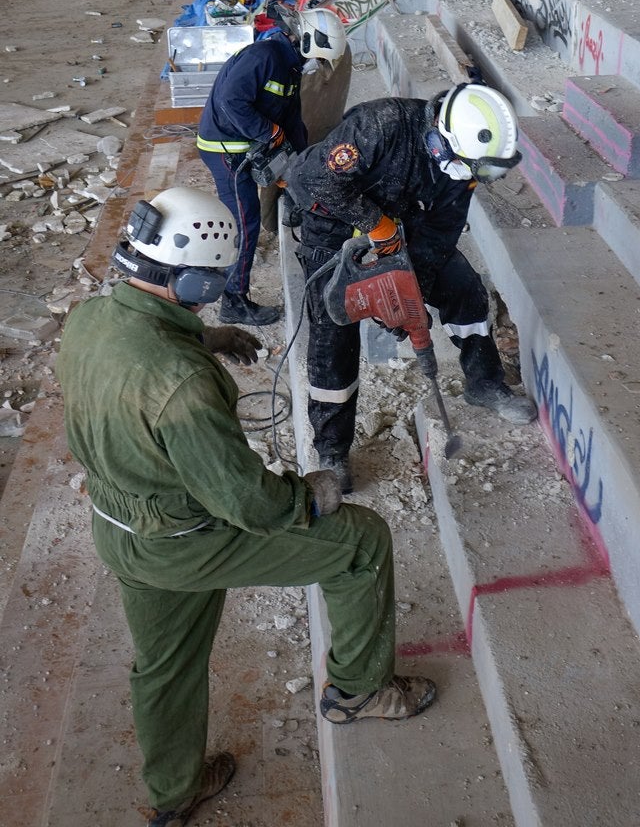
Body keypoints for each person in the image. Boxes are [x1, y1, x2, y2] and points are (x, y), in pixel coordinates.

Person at [56, 186, 436, 827]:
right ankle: (358, 690)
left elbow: (137, 352)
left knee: (165, 664)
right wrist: (308, 498)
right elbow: (246, 502)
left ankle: (174, 794)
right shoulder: (184, 390)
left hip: (120, 529)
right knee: (362, 542)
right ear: (199, 283)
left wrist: (201, 339)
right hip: (184, 538)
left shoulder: (89, 320)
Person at [285, 83, 538, 493]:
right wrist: (377, 226)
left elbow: (441, 231)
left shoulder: (464, 165)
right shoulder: (382, 125)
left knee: (465, 290)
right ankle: (332, 449)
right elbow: (313, 181)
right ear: (445, 139)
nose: (477, 176)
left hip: (404, 230)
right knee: (333, 336)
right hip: (331, 231)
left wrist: (408, 293)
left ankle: (485, 383)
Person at [197, 7, 347, 326]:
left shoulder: (290, 66)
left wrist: (302, 166)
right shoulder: (263, 57)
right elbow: (230, 102)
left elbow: (292, 120)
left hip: (244, 144)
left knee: (258, 204)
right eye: (319, 57)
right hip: (225, 148)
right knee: (245, 220)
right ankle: (233, 301)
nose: (317, 64)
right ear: (307, 41)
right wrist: (270, 133)